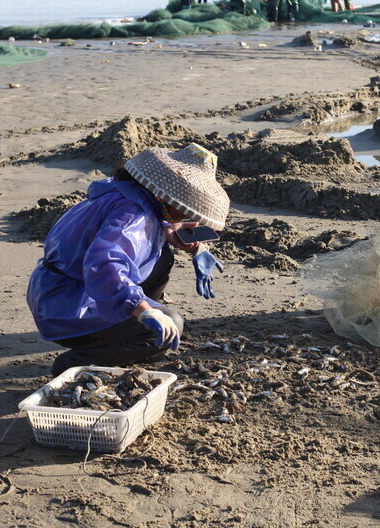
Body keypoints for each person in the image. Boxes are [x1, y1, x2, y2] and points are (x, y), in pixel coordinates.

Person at [26, 144, 231, 375]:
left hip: (50, 289)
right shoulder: (134, 217)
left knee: (164, 256)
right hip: (68, 307)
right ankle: (76, 362)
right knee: (171, 324)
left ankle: (128, 328)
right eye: (186, 207)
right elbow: (104, 265)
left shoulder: (122, 191)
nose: (189, 217)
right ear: (166, 194)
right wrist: (142, 309)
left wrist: (167, 233)